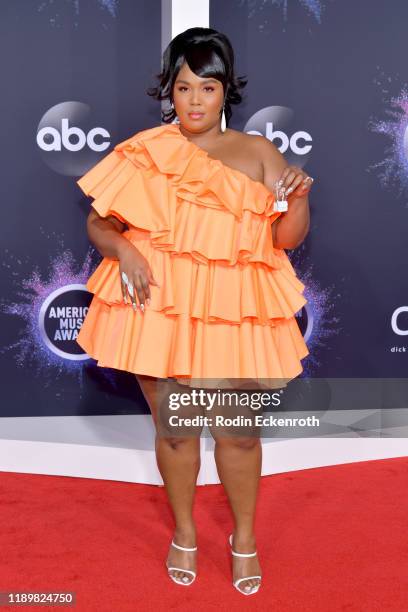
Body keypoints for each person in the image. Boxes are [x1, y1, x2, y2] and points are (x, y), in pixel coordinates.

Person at [75, 27, 312, 596]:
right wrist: (124, 247)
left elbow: (286, 239)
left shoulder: (259, 154)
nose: (196, 101)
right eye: (184, 88)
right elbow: (99, 222)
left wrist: (298, 200)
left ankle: (244, 539)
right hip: (159, 306)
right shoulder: (145, 150)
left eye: (208, 88)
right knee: (177, 431)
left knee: (239, 435)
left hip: (231, 312)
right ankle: (183, 531)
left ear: (226, 91)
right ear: (170, 93)